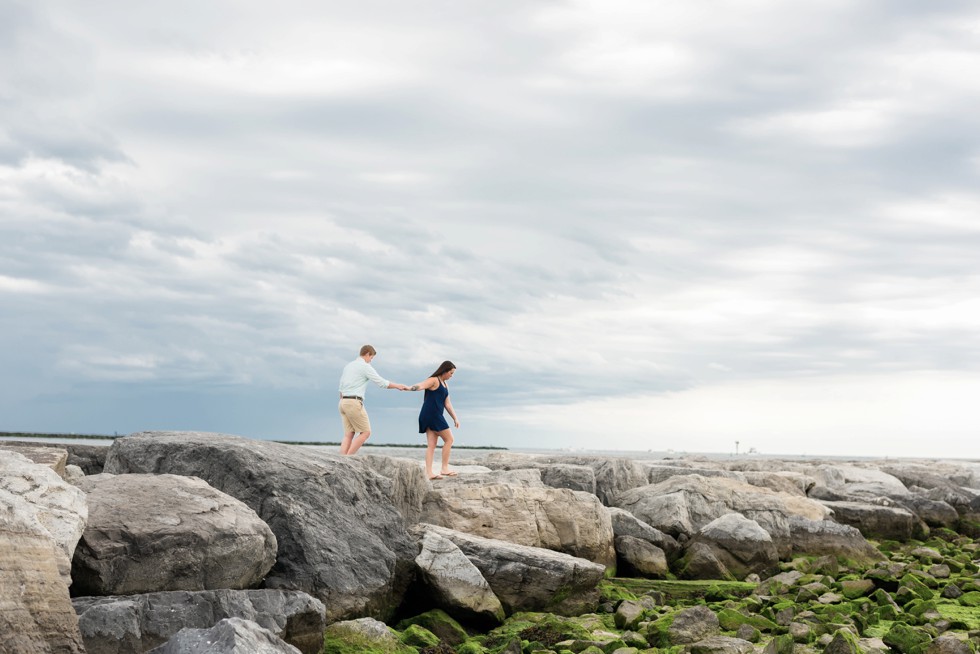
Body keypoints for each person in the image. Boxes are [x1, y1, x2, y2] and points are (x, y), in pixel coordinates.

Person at [338, 345, 408, 455]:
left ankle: (341, 459)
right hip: (354, 402)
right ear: (367, 354)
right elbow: (382, 383)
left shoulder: (348, 366)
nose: (371, 361)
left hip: (342, 402)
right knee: (365, 432)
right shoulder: (365, 366)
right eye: (371, 358)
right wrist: (398, 386)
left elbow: (341, 387)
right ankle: (348, 459)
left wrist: (343, 402)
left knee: (349, 434)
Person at [406, 361, 459, 480]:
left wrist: (455, 418)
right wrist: (410, 388)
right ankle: (444, 468)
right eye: (451, 373)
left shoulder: (445, 384)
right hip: (432, 414)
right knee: (449, 439)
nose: (452, 375)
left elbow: (448, 404)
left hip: (430, 414)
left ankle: (429, 473)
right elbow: (421, 385)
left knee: (431, 445)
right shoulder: (434, 380)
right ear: (445, 371)